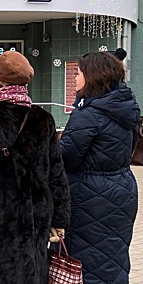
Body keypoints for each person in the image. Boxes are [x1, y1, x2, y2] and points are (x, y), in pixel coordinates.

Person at [0, 50, 71, 284]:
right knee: (32, 271)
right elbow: (56, 173)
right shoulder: (43, 118)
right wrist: (59, 219)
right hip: (37, 215)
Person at [59, 51, 140, 283]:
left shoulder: (88, 115)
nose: (75, 78)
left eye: (79, 73)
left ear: (92, 77)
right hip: (122, 189)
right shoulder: (126, 109)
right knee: (113, 259)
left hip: (89, 196)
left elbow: (67, 158)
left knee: (87, 262)